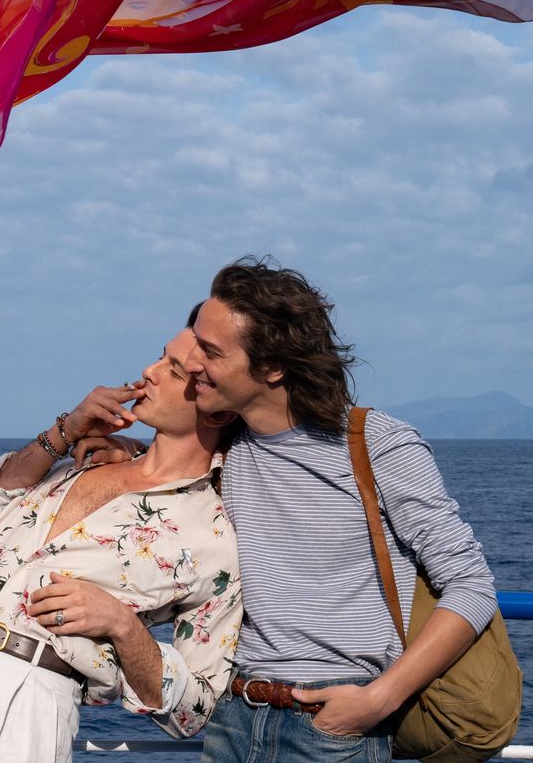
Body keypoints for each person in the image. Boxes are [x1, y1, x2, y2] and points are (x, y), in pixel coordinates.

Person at [0, 326, 243, 763]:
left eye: (174, 370)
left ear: (217, 412)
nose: (149, 371)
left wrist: (122, 625)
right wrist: (64, 431)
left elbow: (193, 712)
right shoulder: (86, 457)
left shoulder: (214, 542)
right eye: (161, 356)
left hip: (22, 690)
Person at [183, 259, 499, 763]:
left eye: (210, 351)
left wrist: (379, 699)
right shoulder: (220, 449)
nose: (190, 361)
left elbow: (471, 584)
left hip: (332, 724)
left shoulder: (375, 444)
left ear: (271, 367)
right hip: (231, 716)